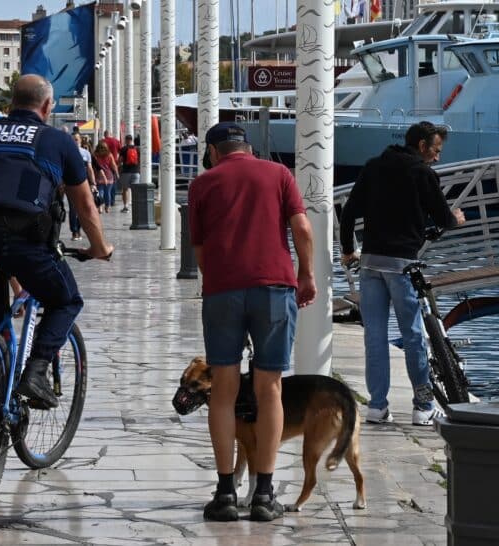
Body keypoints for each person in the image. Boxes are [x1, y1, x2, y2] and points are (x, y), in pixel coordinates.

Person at [0, 74, 114, 410]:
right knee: (66, 301)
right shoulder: (57, 140)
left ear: (11, 102)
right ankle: (36, 371)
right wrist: (99, 247)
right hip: (26, 242)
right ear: (47, 106)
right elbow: (84, 204)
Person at [189, 122, 316, 522]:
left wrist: (218, 282)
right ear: (247, 147)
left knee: (224, 391)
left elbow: (200, 248)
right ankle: (264, 494)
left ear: (213, 151)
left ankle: (225, 492)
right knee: (270, 388)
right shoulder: (279, 174)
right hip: (274, 289)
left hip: (223, 292)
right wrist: (306, 275)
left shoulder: (202, 183)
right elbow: (302, 229)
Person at [339, 121, 465, 426]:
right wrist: (456, 219)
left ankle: (377, 406)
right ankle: (423, 406)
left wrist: (348, 250)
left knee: (375, 337)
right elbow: (443, 219)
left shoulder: (373, 166)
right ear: (422, 146)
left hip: (370, 263)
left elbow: (349, 212)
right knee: (413, 335)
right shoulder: (423, 173)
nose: (437, 157)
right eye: (436, 150)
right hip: (402, 265)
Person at [69, 133, 98, 240]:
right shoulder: (67, 153)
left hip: (84, 183)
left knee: (83, 207)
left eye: (76, 139)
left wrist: (93, 183)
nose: (75, 142)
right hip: (70, 184)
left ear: (80, 140)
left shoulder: (86, 153)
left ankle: (79, 228)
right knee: (73, 209)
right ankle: (75, 231)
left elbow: (90, 169)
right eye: (73, 140)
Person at [92, 141, 118, 213]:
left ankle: (100, 206)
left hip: (98, 175)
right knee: (107, 192)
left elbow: (93, 166)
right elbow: (113, 165)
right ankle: (107, 206)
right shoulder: (109, 155)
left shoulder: (95, 155)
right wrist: (117, 173)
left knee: (100, 192)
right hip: (109, 175)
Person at [117, 134, 139, 213]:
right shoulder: (136, 149)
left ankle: (126, 207)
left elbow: (120, 160)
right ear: (132, 140)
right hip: (136, 172)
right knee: (135, 190)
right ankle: (136, 205)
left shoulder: (123, 149)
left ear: (126, 140)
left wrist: (118, 167)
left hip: (126, 172)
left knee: (125, 189)